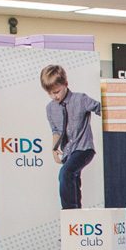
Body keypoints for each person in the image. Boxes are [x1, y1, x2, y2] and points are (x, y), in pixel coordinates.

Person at [41, 64, 101, 210]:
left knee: (65, 173)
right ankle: (77, 214)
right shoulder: (50, 108)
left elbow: (102, 109)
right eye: (50, 93)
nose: (54, 96)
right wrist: (54, 149)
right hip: (68, 152)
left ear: (66, 84)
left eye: (57, 92)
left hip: (84, 148)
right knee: (73, 181)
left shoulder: (81, 99)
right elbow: (56, 131)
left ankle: (69, 212)